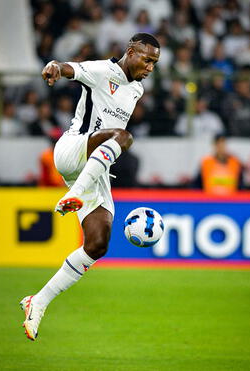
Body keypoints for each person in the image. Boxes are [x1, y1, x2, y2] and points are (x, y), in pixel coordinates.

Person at [19, 33, 161, 341]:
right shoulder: (102, 70)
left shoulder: (136, 89)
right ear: (131, 51)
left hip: (94, 168)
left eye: (155, 63)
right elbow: (69, 68)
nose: (150, 68)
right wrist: (54, 67)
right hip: (72, 150)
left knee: (98, 243)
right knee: (124, 139)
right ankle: (74, 195)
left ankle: (38, 301)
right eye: (147, 60)